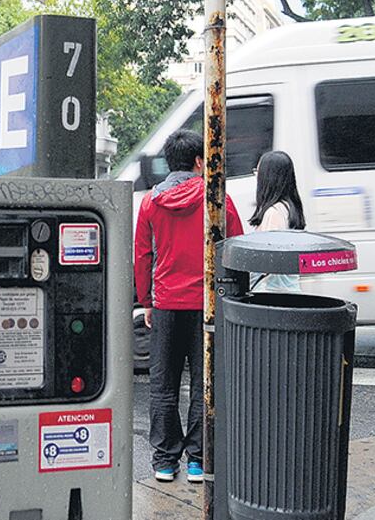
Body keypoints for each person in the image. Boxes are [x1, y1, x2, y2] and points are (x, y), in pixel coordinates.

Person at [134, 129, 245, 484]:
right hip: (206, 306)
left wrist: (146, 301)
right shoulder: (216, 197)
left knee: (163, 384)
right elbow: (237, 246)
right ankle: (199, 459)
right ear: (200, 161)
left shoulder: (151, 201)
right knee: (203, 382)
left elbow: (142, 256)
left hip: (165, 303)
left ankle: (165, 461)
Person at [249, 151, 307, 292]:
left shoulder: (274, 213)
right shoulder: (288, 207)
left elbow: (271, 259)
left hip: (272, 294)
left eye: (258, 172)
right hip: (287, 291)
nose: (256, 177)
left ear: (268, 177)